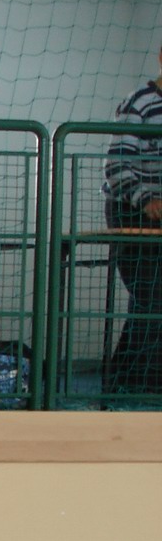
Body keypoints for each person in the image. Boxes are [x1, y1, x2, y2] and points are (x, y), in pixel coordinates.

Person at [103, 49, 162, 398]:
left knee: (150, 300)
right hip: (130, 211)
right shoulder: (138, 103)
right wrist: (147, 200)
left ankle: (124, 380)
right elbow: (116, 166)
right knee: (151, 297)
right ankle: (141, 385)